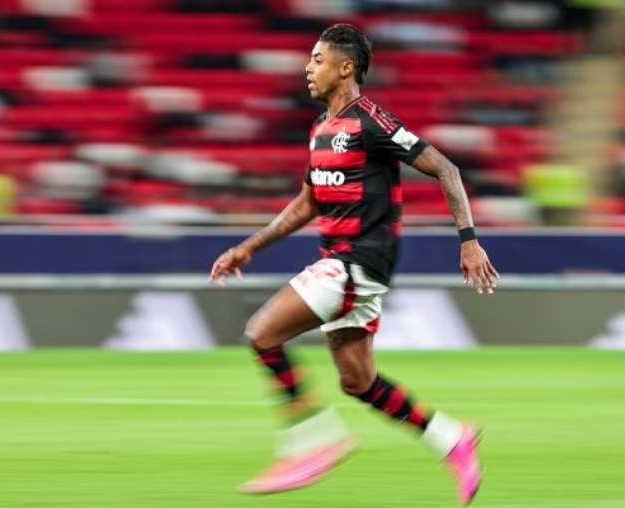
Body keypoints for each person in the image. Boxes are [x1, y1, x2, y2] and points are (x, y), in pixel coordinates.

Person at [209, 23, 499, 506]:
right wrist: (250, 247)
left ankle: (310, 441)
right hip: (344, 265)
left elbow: (445, 168)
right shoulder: (321, 130)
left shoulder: (371, 121)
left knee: (262, 333)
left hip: (355, 262)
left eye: (318, 59)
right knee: (358, 382)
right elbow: (307, 203)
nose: (308, 68)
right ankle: (452, 437)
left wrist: (468, 240)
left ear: (346, 68)